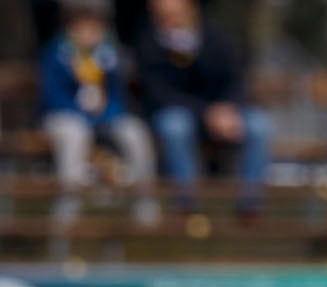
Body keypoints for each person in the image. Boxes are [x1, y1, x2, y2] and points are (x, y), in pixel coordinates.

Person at [136, 0, 269, 216]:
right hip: (182, 113)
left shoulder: (218, 38)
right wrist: (207, 113)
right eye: (163, 16)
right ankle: (187, 204)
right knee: (174, 127)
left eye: (174, 14)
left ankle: (250, 205)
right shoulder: (149, 44)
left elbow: (237, 81)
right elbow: (158, 94)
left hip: (224, 113)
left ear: (190, 10)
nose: (170, 21)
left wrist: (229, 108)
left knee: (259, 126)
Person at [38, 0, 157, 226]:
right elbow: (52, 98)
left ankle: (145, 204)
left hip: (104, 118)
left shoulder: (110, 57)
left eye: (94, 29)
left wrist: (104, 112)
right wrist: (84, 112)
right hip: (63, 117)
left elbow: (117, 98)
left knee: (135, 132)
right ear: (71, 29)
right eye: (83, 28)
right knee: (75, 134)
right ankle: (68, 210)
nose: (89, 34)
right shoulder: (55, 55)